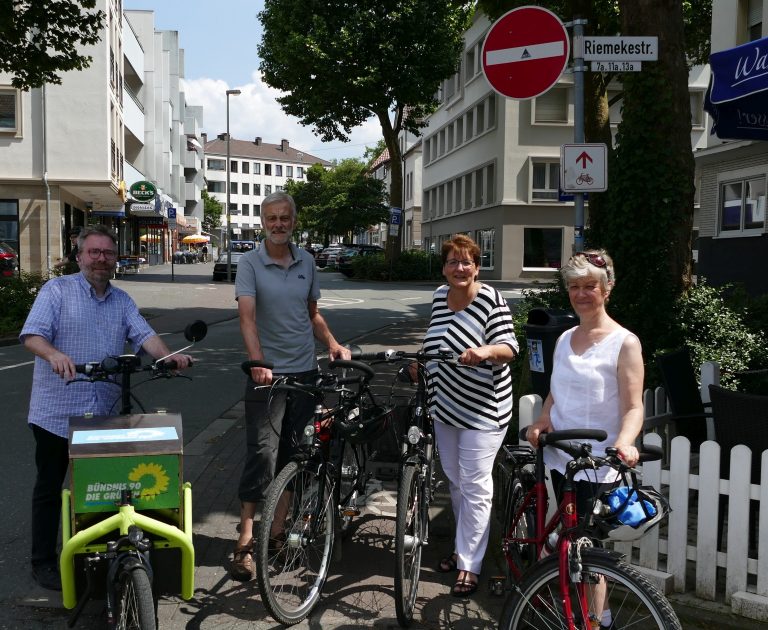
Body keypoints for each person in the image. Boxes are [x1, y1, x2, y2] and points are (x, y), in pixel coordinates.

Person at [20, 225, 194, 591]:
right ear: (79, 256)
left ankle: (98, 552)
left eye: (108, 253)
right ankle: (42, 561)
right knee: (50, 486)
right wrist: (54, 354)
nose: (101, 259)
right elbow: (32, 335)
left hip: (105, 412)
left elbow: (144, 335)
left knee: (105, 484)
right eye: (94, 252)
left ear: (115, 258)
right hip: (58, 410)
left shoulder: (122, 300)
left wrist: (170, 359)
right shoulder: (57, 291)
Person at [230, 191, 350, 582]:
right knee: (261, 453)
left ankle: (277, 531)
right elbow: (247, 319)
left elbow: (311, 313)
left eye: (285, 218)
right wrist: (259, 363)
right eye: (271, 218)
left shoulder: (307, 262)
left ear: (294, 221)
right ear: (262, 222)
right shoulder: (249, 263)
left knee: (295, 454)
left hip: (305, 374)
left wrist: (331, 343)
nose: (278, 224)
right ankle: (246, 540)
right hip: (268, 376)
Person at [525, 249, 644, 630]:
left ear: (607, 288)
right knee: (562, 537)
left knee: (588, 549)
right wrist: (543, 418)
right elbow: (555, 392)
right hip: (561, 455)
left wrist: (625, 442)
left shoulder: (624, 343)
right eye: (574, 287)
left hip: (598, 463)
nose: (581, 294)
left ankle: (597, 621)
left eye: (590, 286)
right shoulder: (563, 339)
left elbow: (633, 406)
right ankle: (557, 597)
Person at [425, 234, 519, 597]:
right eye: (452, 262)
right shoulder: (438, 296)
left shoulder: (490, 300)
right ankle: (464, 547)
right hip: (444, 404)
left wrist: (483, 351)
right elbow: (435, 338)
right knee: (454, 480)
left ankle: (470, 565)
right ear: (444, 268)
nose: (459, 268)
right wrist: (423, 362)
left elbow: (509, 347)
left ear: (477, 267)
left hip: (483, 408)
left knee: (476, 485)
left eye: (466, 262)